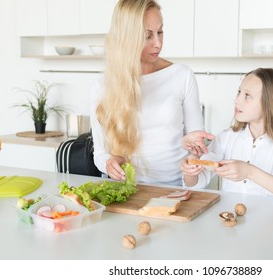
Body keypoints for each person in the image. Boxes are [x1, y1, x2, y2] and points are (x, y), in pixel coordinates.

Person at [90, 0, 213, 186]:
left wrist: (194, 154)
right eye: (148, 36)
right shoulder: (103, 86)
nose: (158, 43)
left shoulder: (181, 75)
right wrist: (109, 164)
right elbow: (99, 153)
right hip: (129, 191)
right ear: (127, 38)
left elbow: (197, 145)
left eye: (160, 32)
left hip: (177, 188)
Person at [181, 68, 273, 206]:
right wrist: (191, 170)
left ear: (271, 103)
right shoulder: (226, 138)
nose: (237, 100)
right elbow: (196, 184)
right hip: (231, 223)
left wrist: (250, 172)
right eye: (239, 92)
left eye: (247, 95)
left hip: (271, 225)